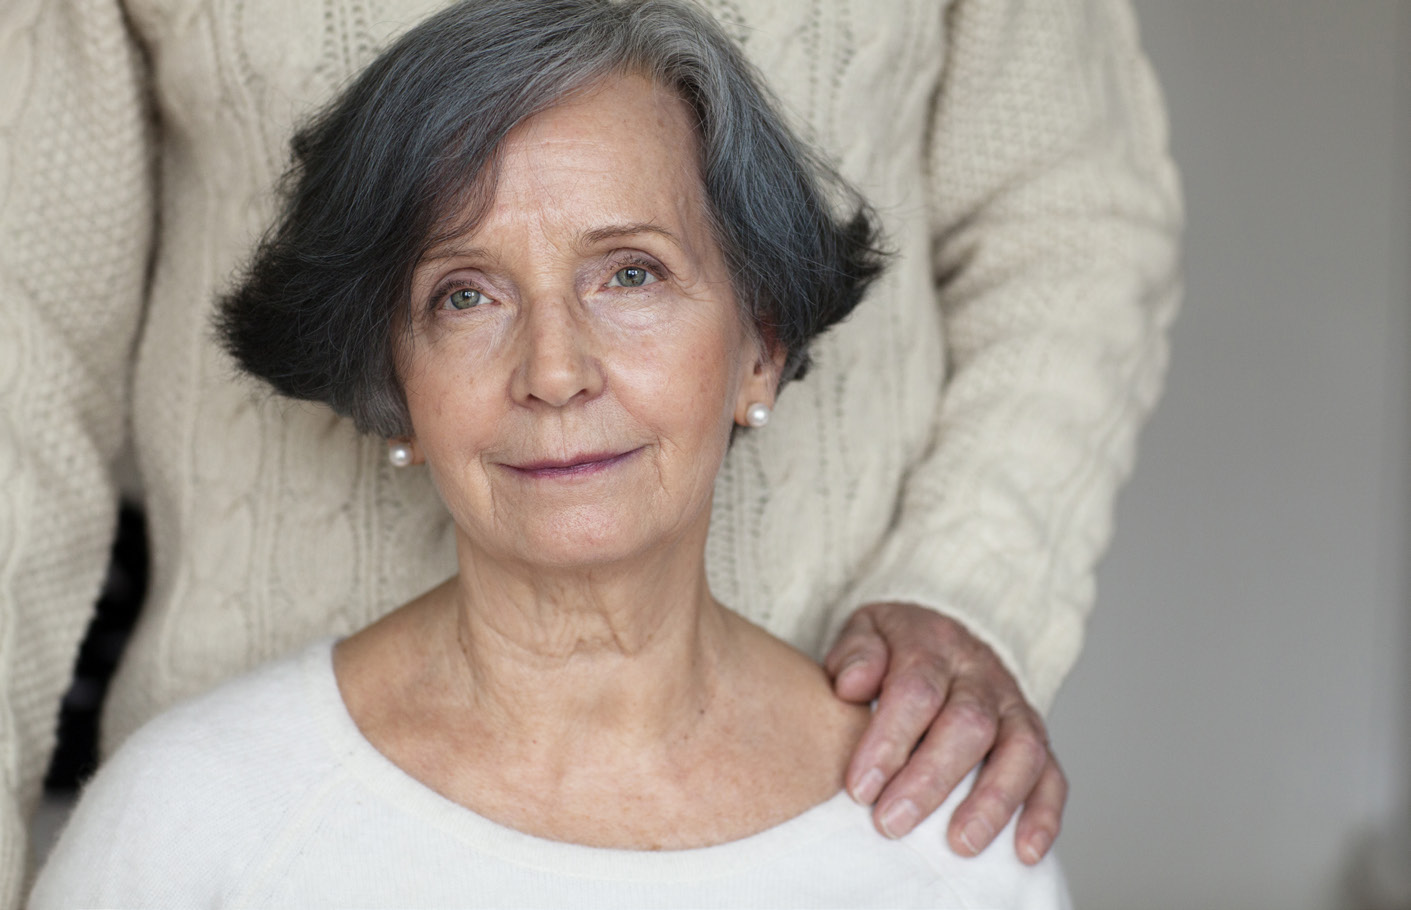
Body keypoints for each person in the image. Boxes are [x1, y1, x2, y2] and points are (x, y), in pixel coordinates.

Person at [0, 0, 1180, 902]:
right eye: (463, 294)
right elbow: (20, 333)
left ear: (762, 347)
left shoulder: (944, 849)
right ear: (388, 378)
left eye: (631, 274)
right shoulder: (188, 820)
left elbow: (1070, 225)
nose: (555, 373)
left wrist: (968, 582)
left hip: (850, 744)